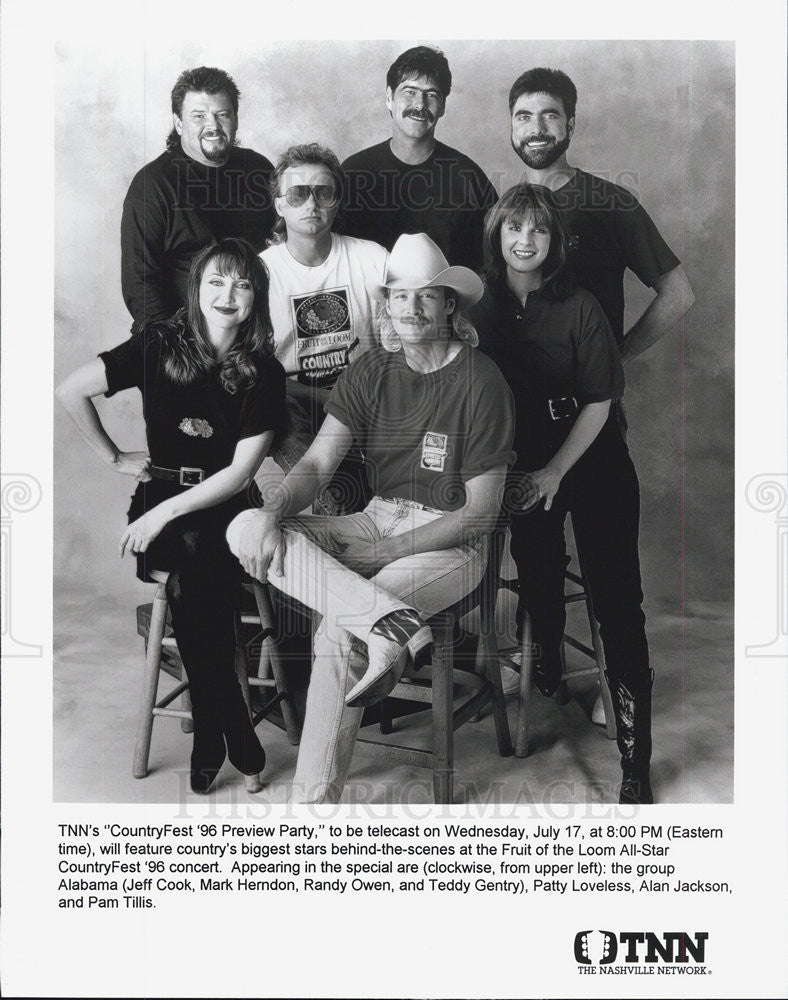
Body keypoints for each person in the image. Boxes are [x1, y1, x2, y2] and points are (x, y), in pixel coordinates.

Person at [227, 233, 515, 803]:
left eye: (426, 297)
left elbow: (481, 516)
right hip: (374, 517)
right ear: (386, 304)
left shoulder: (483, 381)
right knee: (245, 528)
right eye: (399, 296)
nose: (410, 309)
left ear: (449, 305)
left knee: (338, 627)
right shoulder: (370, 371)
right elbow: (316, 464)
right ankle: (388, 622)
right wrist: (272, 510)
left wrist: (382, 555)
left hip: (449, 540)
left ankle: (312, 805)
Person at [56, 239, 285, 795]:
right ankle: (230, 718)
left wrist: (161, 517)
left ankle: (211, 726)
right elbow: (71, 390)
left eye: (242, 283)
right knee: (192, 562)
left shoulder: (263, 371)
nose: (227, 294)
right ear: (196, 288)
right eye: (215, 281)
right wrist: (113, 458)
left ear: (257, 296)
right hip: (158, 495)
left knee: (194, 566)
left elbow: (236, 475)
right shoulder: (158, 343)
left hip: (227, 506)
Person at [473, 184, 653, 805]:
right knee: (540, 574)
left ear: (553, 242)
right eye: (515, 229)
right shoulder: (479, 306)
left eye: (539, 231)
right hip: (521, 461)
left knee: (618, 598)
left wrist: (555, 473)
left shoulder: (579, 304)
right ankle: (545, 645)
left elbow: (601, 400)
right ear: (498, 235)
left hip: (590, 453)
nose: (526, 241)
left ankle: (636, 764)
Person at [508, 67, 694, 362]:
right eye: (524, 116)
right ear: (513, 127)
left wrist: (615, 361)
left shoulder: (611, 203)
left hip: (590, 397)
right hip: (516, 397)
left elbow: (678, 293)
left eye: (550, 115)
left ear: (570, 125)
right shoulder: (503, 212)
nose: (536, 128)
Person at [261, 143, 387, 512]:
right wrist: (325, 399)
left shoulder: (372, 258)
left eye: (323, 192)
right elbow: (254, 372)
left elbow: (399, 347)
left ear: (337, 201)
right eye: (298, 194)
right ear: (279, 204)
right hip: (294, 405)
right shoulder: (259, 273)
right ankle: (332, 507)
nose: (311, 204)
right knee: (336, 494)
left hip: (366, 400)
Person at [121, 66, 275, 326]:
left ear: (235, 119)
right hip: (180, 338)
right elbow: (141, 284)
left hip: (254, 332)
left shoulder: (258, 168)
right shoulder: (152, 185)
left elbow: (284, 247)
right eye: (199, 116)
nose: (212, 125)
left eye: (222, 114)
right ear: (179, 123)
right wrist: (176, 349)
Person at [342, 46, 497, 270]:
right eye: (410, 91)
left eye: (431, 95)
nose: (420, 104)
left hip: (448, 303)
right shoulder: (353, 173)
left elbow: (494, 260)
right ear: (389, 98)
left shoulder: (468, 176)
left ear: (443, 105)